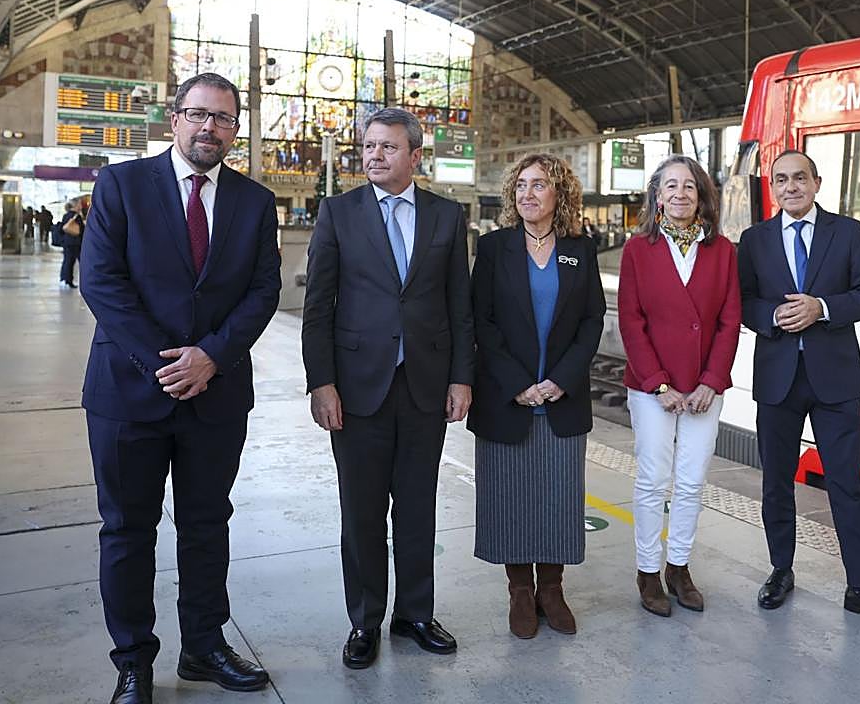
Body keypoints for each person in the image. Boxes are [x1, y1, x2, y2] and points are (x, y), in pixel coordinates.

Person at [80, 72, 281, 704]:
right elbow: (102, 282)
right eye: (198, 114)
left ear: (236, 129)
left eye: (223, 118)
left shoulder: (254, 201)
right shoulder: (122, 184)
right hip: (128, 393)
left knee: (206, 524)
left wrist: (212, 358)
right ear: (174, 118)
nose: (209, 128)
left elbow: (263, 291)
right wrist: (167, 364)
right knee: (127, 529)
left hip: (216, 394)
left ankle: (203, 645)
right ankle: (134, 661)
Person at [302, 107, 474, 669]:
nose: (375, 156)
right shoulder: (338, 213)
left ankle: (416, 613)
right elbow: (317, 306)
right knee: (362, 510)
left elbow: (459, 306)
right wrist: (322, 383)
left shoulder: (448, 217)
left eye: (388, 147)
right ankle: (365, 620)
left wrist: (461, 377)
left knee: (418, 506)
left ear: (415, 155)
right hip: (357, 389)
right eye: (369, 146)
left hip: (424, 385)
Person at [737, 149, 860, 631]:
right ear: (772, 189)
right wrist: (772, 316)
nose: (790, 186)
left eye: (799, 178)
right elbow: (743, 301)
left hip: (834, 380)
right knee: (776, 481)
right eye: (781, 180)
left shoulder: (847, 232)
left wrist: (823, 308)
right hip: (777, 379)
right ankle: (780, 570)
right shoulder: (754, 240)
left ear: (816, 182)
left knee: (847, 484)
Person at [469, 154, 605, 639]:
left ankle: (551, 588)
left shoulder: (579, 249)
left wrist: (561, 380)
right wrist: (518, 384)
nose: (528, 193)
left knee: (557, 498)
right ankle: (520, 592)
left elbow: (592, 320)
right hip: (509, 399)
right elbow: (480, 322)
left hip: (562, 399)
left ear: (559, 194)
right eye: (521, 185)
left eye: (539, 184)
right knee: (510, 499)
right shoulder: (493, 248)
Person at [618, 155, 740, 617]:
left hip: (705, 389)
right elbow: (631, 321)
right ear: (657, 196)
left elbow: (730, 321)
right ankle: (648, 572)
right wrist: (658, 385)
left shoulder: (723, 250)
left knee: (690, 482)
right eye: (670, 186)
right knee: (652, 481)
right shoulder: (637, 249)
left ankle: (679, 567)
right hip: (654, 390)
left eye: (689, 186)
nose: (680, 194)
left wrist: (711, 381)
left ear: (702, 195)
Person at [58, 200, 85, 288]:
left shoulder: (66, 215)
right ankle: (80, 281)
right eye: (79, 205)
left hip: (67, 242)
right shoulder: (77, 217)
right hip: (76, 243)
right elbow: (81, 230)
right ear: (76, 206)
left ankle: (65, 279)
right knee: (82, 261)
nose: (81, 206)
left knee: (67, 261)